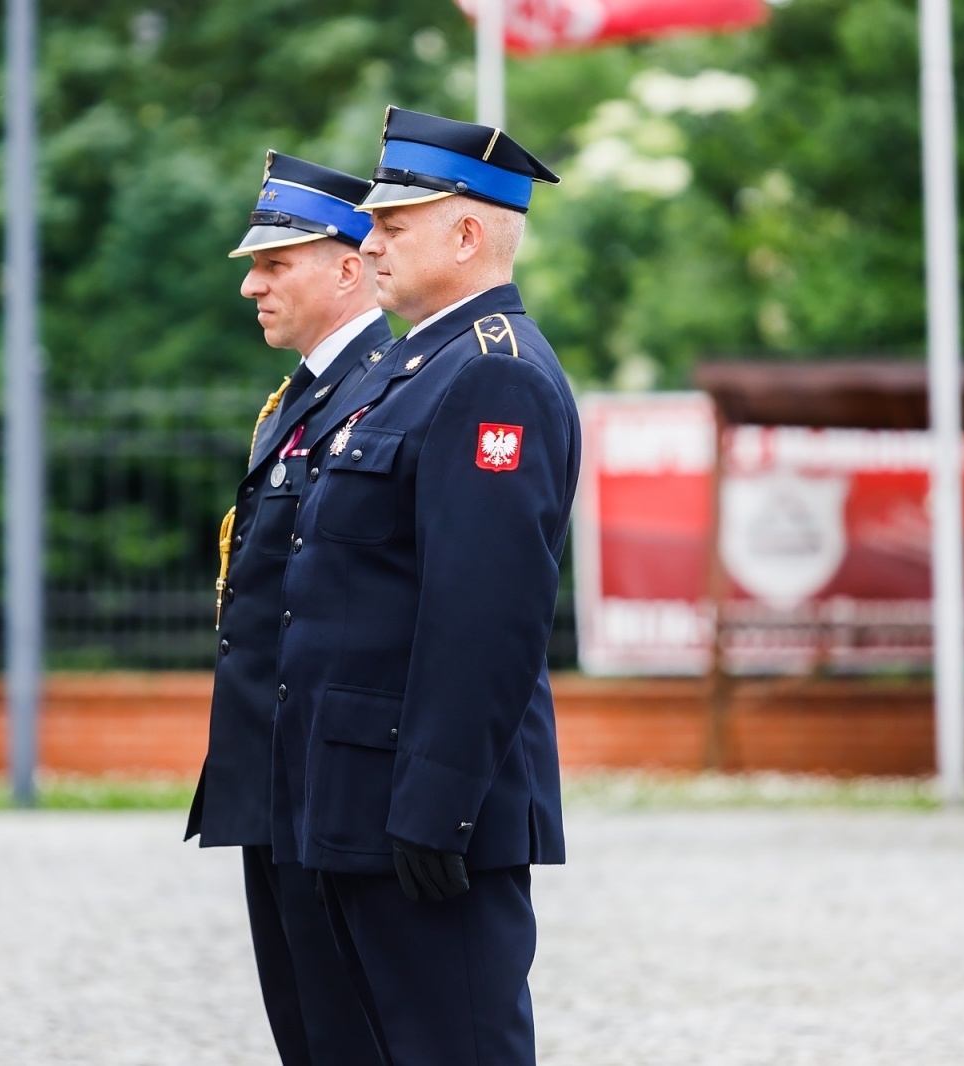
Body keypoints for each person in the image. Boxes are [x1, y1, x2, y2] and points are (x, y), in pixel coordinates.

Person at [270, 108, 578, 1066]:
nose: (370, 242)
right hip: (360, 799)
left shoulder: (495, 377)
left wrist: (436, 809)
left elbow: (485, 617)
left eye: (394, 228)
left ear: (469, 232)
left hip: (427, 817)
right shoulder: (416, 368)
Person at [185, 153, 392, 1066]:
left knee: (349, 1031)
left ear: (349, 268)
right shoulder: (300, 398)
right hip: (273, 776)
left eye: (275, 265)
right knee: (304, 1032)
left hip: (331, 780)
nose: (251, 286)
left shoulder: (387, 385)